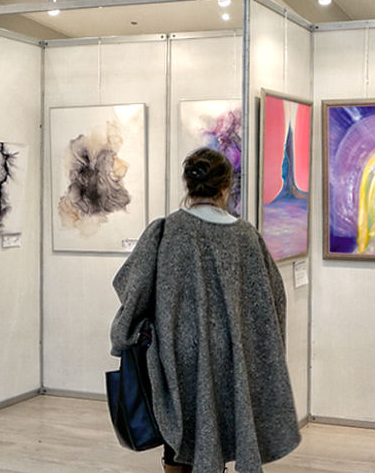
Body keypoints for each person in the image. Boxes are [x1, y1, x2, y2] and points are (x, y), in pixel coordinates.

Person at [110, 147, 301, 473]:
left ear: (188, 186)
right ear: (226, 187)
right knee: (223, 430)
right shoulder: (246, 237)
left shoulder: (166, 231)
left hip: (176, 356)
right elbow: (272, 302)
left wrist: (124, 334)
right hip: (231, 357)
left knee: (179, 435)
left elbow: (132, 288)